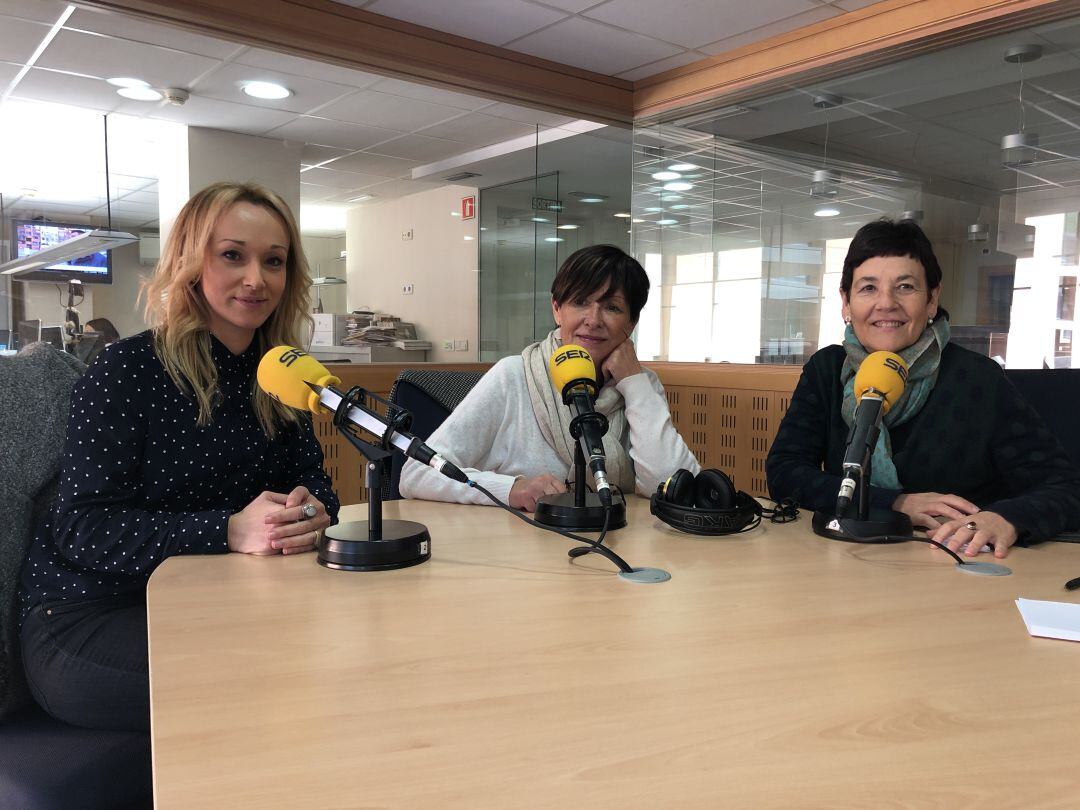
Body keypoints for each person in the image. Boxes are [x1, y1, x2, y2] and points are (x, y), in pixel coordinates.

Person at [19, 181, 339, 732]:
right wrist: (229, 531)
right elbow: (82, 526)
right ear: (191, 263)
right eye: (232, 255)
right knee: (275, 682)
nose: (256, 279)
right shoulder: (127, 370)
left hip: (215, 602)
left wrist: (311, 511)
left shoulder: (280, 374)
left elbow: (315, 481)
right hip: (89, 614)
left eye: (274, 261)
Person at [766, 218, 1080, 559]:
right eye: (868, 288)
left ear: (932, 300)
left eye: (905, 287)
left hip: (955, 565)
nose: (886, 303)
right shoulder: (827, 370)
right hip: (850, 560)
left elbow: (1064, 487)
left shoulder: (978, 379)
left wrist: (1006, 518)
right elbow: (786, 472)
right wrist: (897, 503)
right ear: (846, 302)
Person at [400, 244, 699, 511]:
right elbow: (415, 474)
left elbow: (672, 486)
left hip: (616, 545)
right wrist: (510, 490)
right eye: (580, 302)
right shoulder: (513, 375)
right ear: (557, 309)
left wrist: (633, 383)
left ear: (631, 322)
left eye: (612, 307)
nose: (593, 320)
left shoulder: (640, 384)